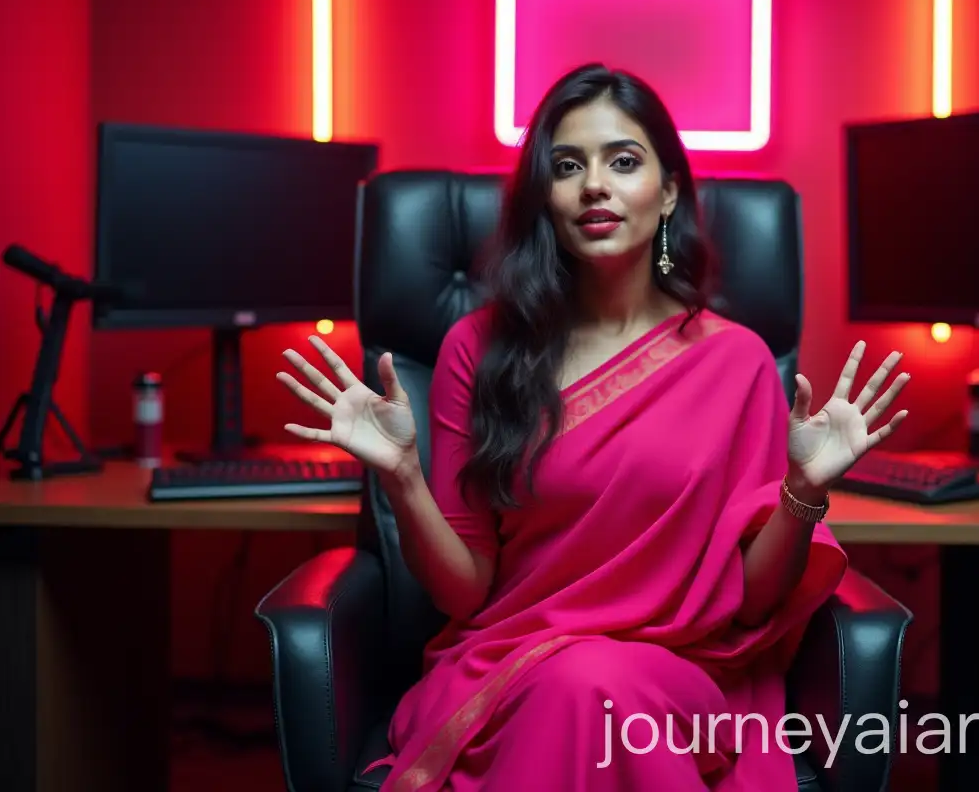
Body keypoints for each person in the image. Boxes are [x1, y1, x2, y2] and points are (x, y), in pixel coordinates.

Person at [276, 63, 910, 791]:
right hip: (512, 666)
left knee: (591, 686)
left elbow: (757, 600)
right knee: (579, 685)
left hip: (683, 676)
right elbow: (463, 592)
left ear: (669, 190)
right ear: (544, 198)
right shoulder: (478, 350)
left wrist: (804, 488)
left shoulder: (737, 361)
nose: (594, 186)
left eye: (624, 161)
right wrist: (403, 478)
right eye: (567, 166)